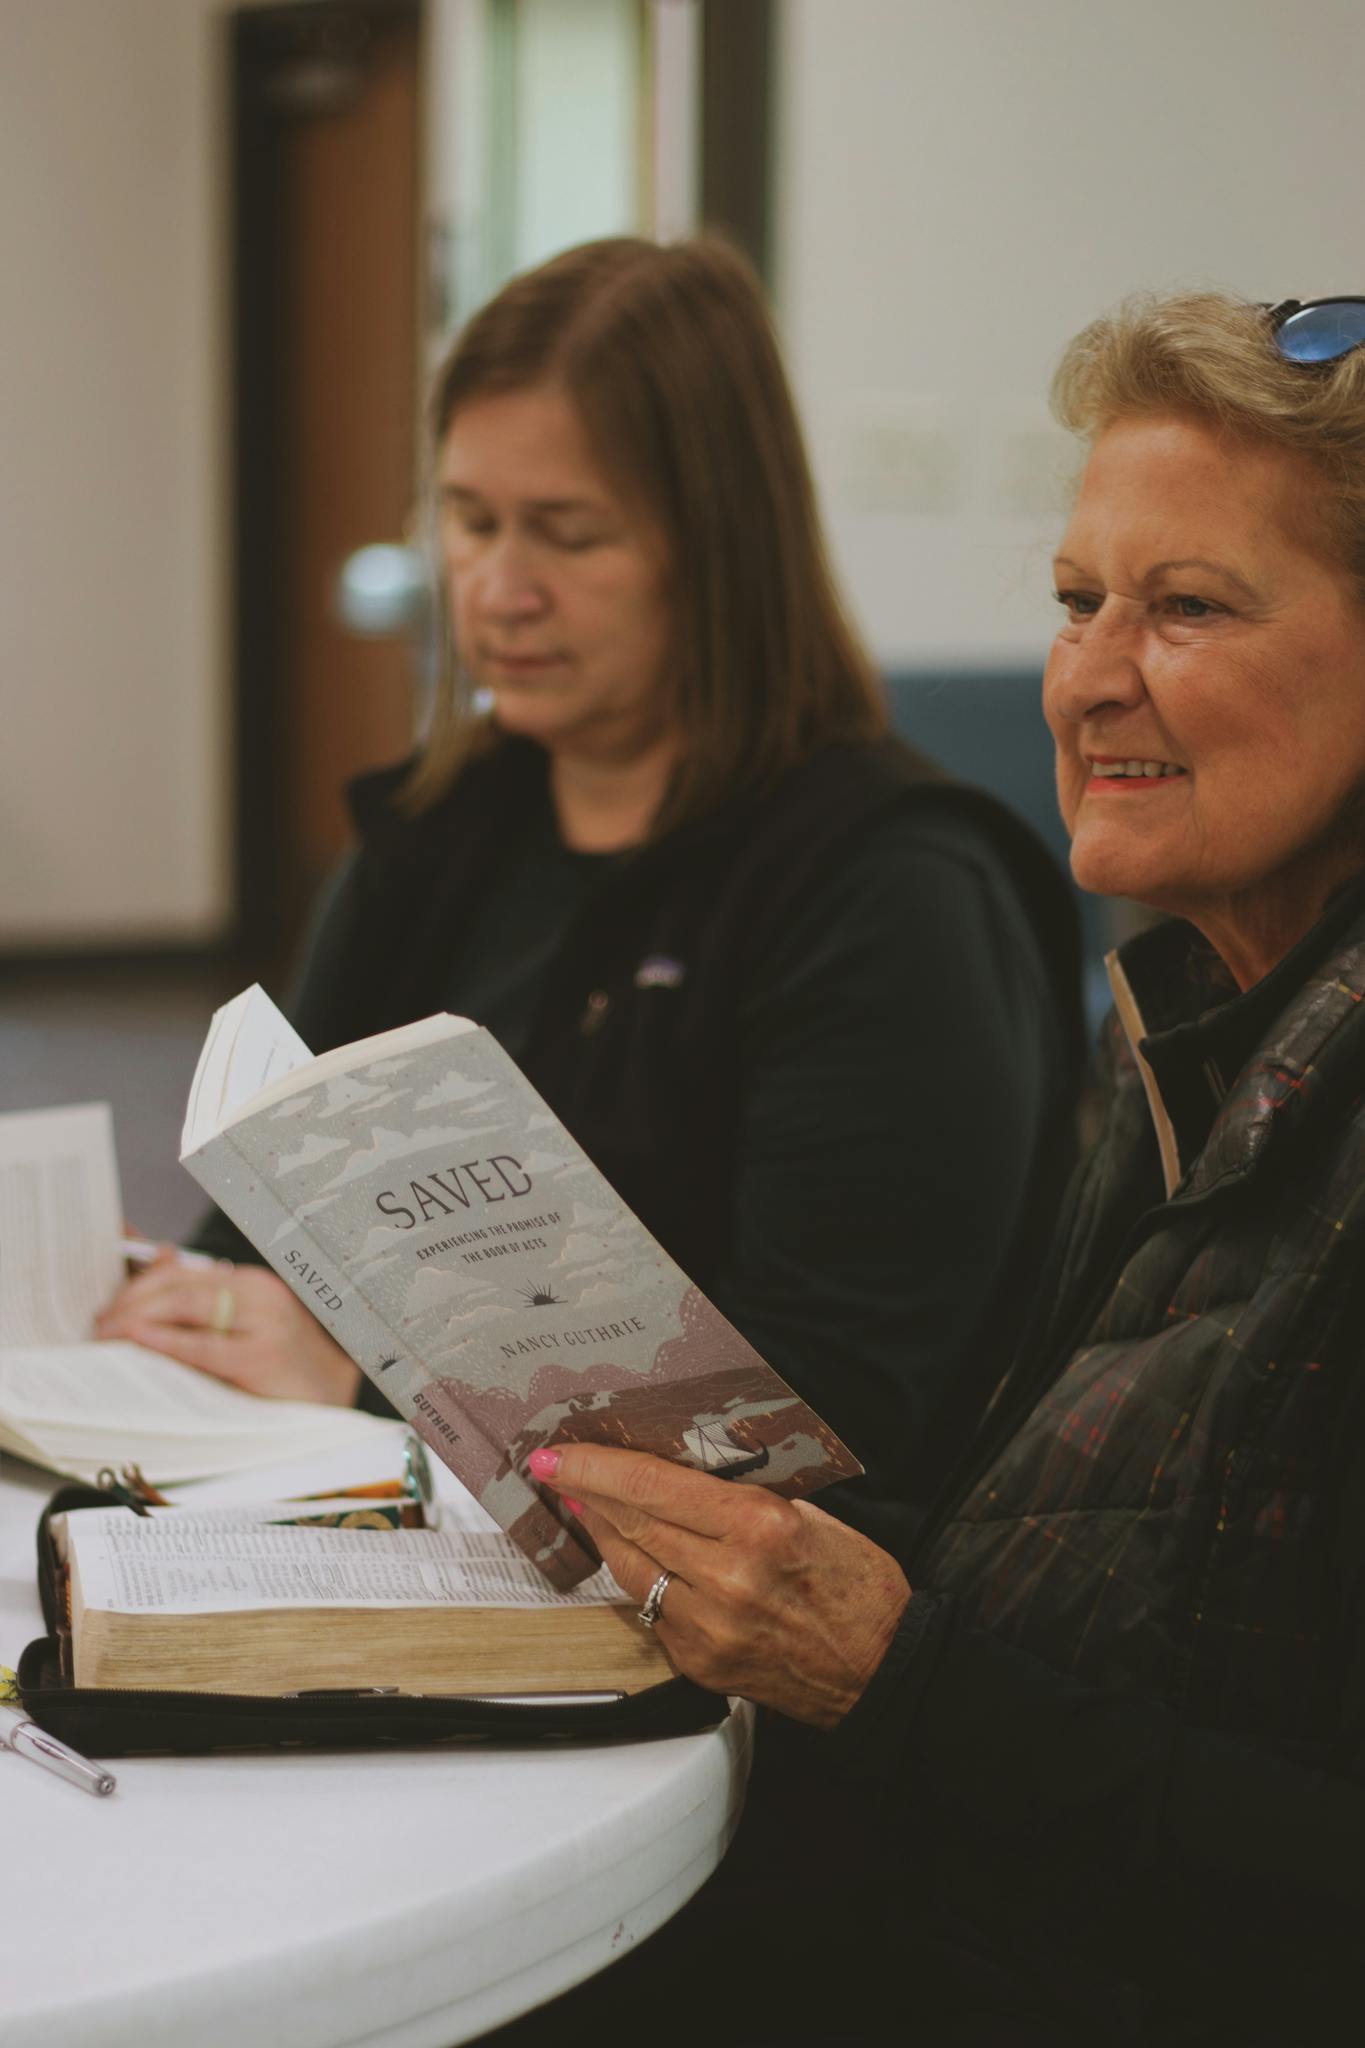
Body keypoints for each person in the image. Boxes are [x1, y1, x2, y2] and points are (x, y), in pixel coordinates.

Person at [511, 290, 1365, 2046]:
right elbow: (1073, 1560)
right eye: (1073, 605)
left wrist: (890, 1674)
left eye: (1188, 607)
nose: (1087, 676)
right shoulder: (1194, 1022)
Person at [96, 235, 1081, 1542]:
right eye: (469, 520)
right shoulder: (430, 841)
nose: (499, 591)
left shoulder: (890, 891)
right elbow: (253, 1248)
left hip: (718, 1629)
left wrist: (360, 1384)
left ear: (719, 549)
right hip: (340, 1514)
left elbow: (838, 1427)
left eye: (568, 533)